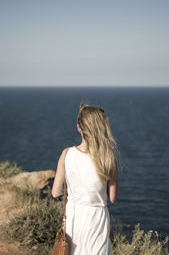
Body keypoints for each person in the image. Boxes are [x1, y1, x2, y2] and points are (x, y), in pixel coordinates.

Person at [52, 101, 119, 255]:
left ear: (79, 127)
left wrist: (76, 193)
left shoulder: (67, 154)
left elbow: (56, 192)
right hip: (98, 220)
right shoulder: (108, 158)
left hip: (75, 217)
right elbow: (113, 198)